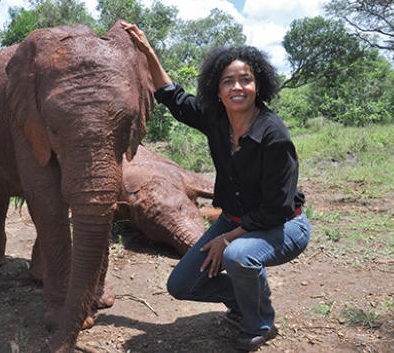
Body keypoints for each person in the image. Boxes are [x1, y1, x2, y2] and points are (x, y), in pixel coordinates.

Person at [122, 22, 311, 351]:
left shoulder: (273, 135)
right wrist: (147, 50)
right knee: (182, 284)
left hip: (284, 225)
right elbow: (173, 96)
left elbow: (277, 208)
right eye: (228, 81)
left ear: (258, 85)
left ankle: (259, 321)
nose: (237, 87)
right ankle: (246, 298)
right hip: (235, 221)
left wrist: (227, 239)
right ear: (218, 89)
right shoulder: (216, 119)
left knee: (238, 256)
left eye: (246, 80)